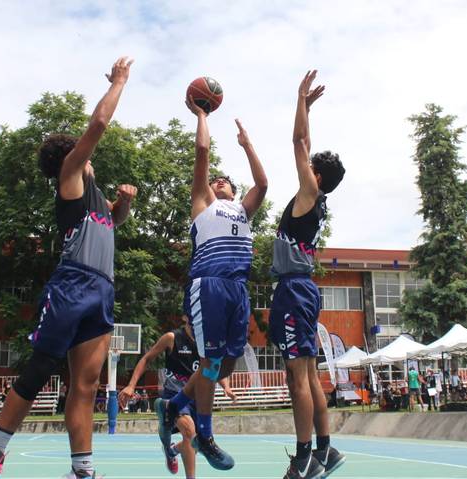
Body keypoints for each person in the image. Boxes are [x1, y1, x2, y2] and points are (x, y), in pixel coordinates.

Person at [0, 56, 136, 479]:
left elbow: (111, 224)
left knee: (84, 386)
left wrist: (125, 204)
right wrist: (119, 83)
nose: (93, 155)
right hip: (72, 287)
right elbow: (98, 125)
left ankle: (82, 471)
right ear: (76, 156)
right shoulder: (69, 175)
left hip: (102, 290)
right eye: (86, 152)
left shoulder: (95, 196)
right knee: (40, 370)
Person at [155, 90, 268, 471]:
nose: (218, 181)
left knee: (226, 366)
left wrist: (247, 144)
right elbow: (201, 157)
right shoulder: (203, 205)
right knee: (210, 361)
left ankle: (175, 406)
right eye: (214, 180)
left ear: (233, 192)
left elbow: (263, 184)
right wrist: (202, 115)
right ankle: (204, 434)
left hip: (238, 289)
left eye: (225, 181)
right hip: (209, 285)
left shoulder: (242, 210)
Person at [266, 70, 346, 479]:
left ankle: (302, 461)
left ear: (316, 176)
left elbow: (299, 142)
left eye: (310, 165)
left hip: (294, 289)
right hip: (302, 287)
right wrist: (307, 109)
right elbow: (305, 144)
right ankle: (326, 451)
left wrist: (300, 98)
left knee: (298, 375)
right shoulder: (315, 199)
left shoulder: (309, 193)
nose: (305, 163)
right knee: (309, 374)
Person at [120, 316, 237, 478]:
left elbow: (214, 366)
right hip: (175, 393)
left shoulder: (208, 342)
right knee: (189, 431)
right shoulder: (172, 338)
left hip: (198, 395)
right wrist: (131, 385)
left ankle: (172, 450)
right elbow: (147, 358)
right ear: (186, 317)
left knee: (194, 442)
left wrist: (227, 387)